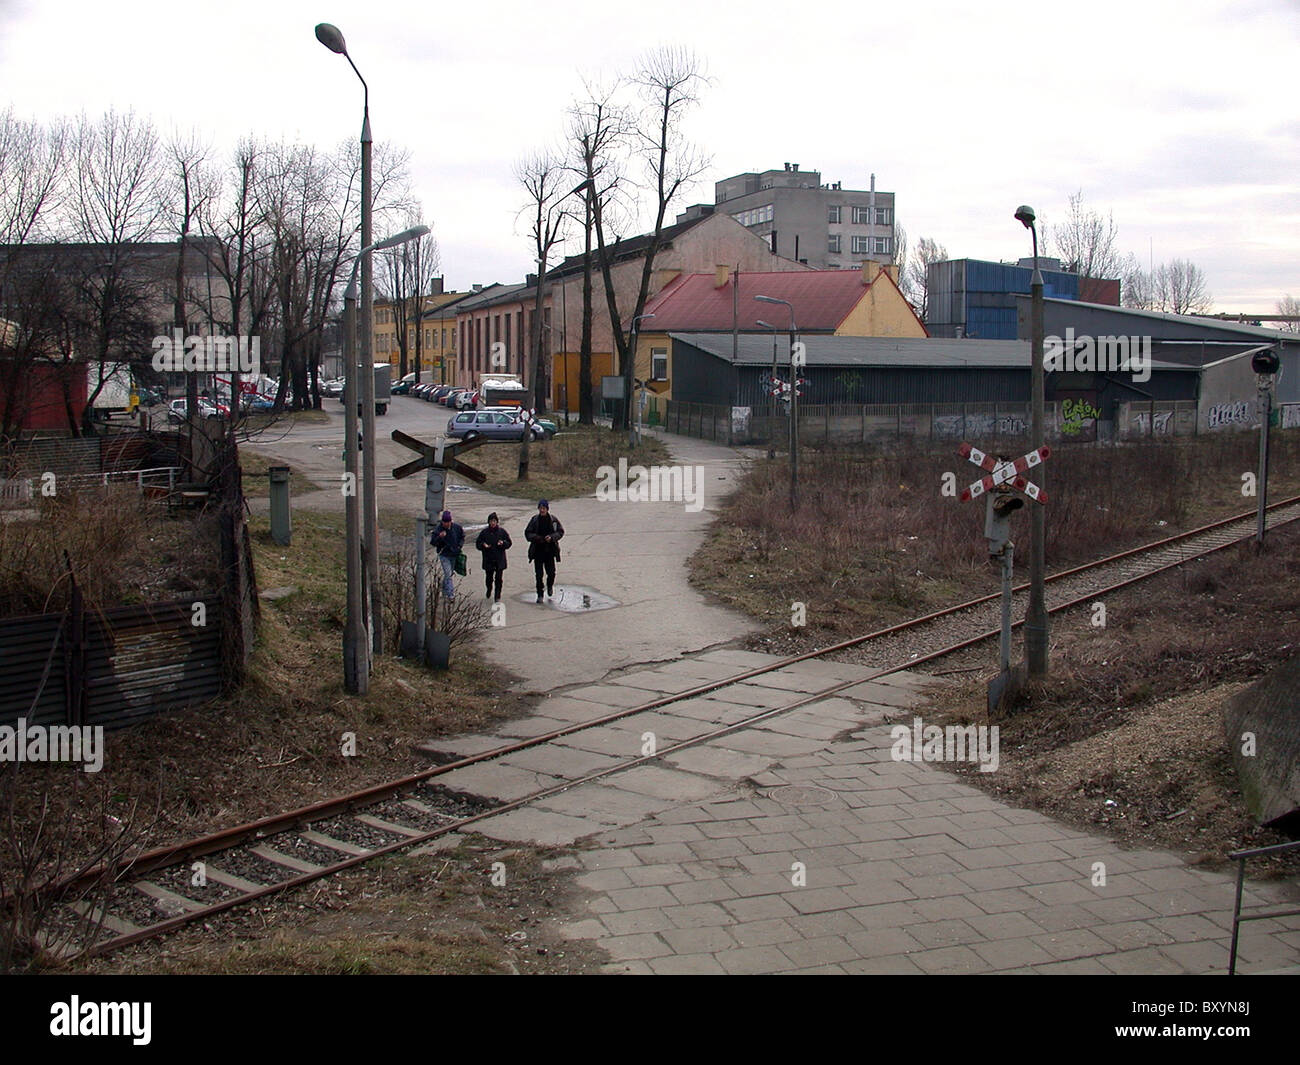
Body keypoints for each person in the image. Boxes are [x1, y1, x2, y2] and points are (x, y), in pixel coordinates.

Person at [524, 499, 564, 603]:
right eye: (540, 508)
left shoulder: (553, 520)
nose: (542, 510)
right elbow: (527, 533)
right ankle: (540, 594)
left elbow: (560, 532)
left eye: (544, 508)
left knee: (551, 573)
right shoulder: (534, 520)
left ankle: (550, 585)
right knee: (538, 575)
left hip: (550, 551)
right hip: (537, 551)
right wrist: (536, 538)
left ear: (547, 509)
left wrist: (552, 537)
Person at [475, 512, 512, 602]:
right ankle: (489, 588)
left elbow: (509, 543)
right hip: (488, 558)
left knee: (499, 579)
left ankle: (497, 595)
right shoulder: (484, 532)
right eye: (491, 521)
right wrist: (483, 545)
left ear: (497, 522)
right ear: (488, 522)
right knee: (489, 578)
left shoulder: (502, 532)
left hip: (499, 559)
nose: (493, 523)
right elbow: (478, 544)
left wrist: (503, 543)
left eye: (494, 521)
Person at [430, 510, 464, 602]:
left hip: (454, 554)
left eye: (448, 522)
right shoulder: (438, 529)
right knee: (448, 573)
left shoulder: (457, 528)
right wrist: (440, 537)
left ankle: (444, 590)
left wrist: (459, 546)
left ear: (450, 521)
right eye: (445, 522)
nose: (446, 524)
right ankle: (451, 595)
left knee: (449, 574)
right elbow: (433, 542)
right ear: (442, 522)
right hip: (444, 555)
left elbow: (462, 537)